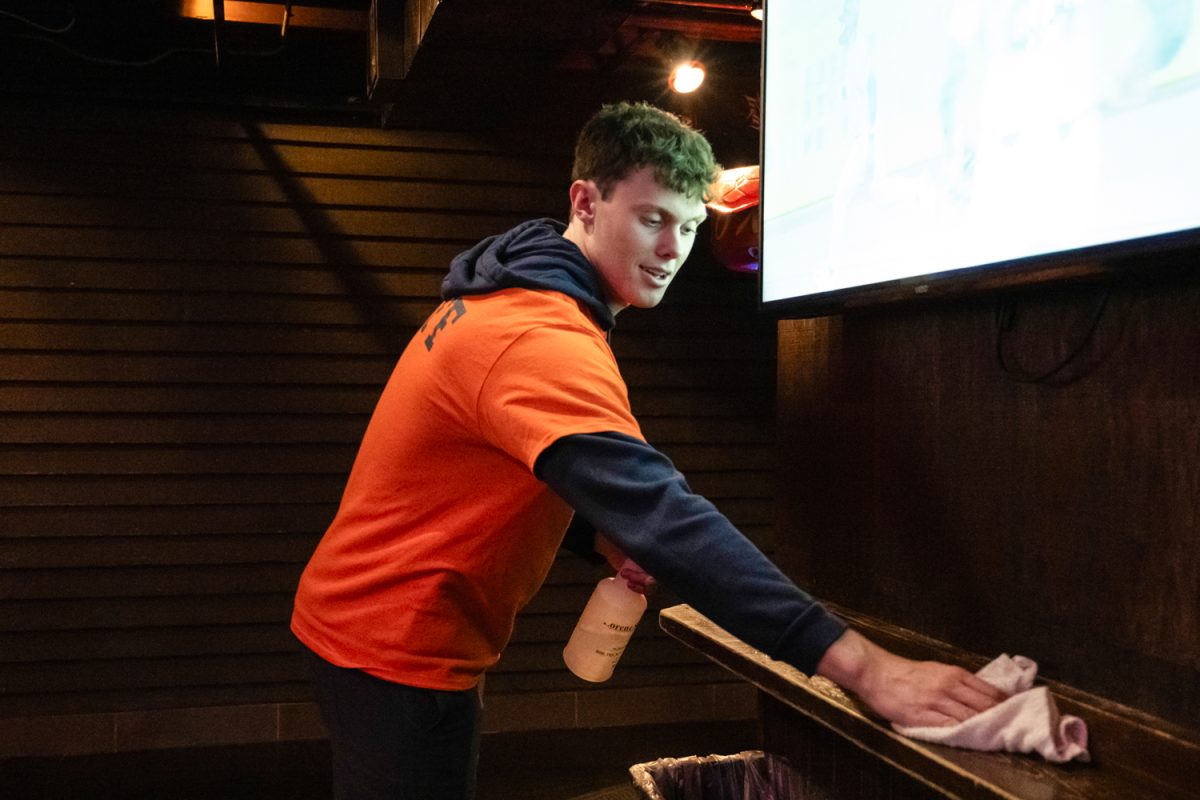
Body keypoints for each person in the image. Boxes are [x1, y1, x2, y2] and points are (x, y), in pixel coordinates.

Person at [290, 101, 1005, 800]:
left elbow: (490, 466)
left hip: (373, 625)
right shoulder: (539, 337)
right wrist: (867, 669)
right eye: (653, 218)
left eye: (690, 226)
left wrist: (599, 534)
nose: (673, 250)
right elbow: (666, 517)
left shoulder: (515, 292)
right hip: (391, 647)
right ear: (586, 201)